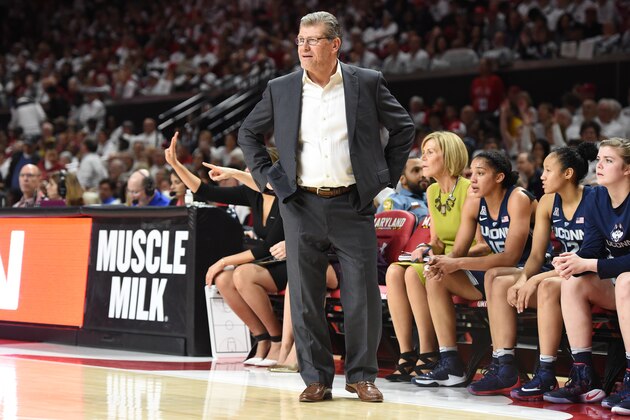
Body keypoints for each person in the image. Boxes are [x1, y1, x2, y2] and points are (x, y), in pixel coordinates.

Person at [238, 11, 414, 403]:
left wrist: (382, 177)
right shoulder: (281, 88)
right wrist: (270, 179)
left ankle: (362, 376)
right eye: (300, 40)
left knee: (362, 295)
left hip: (353, 202)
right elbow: (248, 132)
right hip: (300, 204)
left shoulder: (366, 82)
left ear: (335, 45)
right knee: (304, 297)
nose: (304, 46)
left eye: (313, 40)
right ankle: (316, 377)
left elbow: (403, 128)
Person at [478, 143, 598, 399]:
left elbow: (587, 257)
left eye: (548, 169)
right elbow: (535, 256)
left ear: (567, 173)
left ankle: (546, 371)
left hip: (588, 274)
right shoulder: (546, 202)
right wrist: (522, 279)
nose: (541, 176)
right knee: (501, 283)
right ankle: (504, 364)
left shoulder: (592, 199)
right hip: (563, 272)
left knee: (544, 285)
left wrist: (535, 280)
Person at [413, 150, 537, 389]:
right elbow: (458, 252)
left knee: (493, 275)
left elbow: (510, 256)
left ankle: (504, 365)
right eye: (472, 173)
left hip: (528, 269)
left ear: (499, 177)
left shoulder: (517, 198)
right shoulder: (474, 201)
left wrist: (456, 263)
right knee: (437, 277)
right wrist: (441, 262)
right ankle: (450, 363)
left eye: (481, 173)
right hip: (496, 273)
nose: (474, 179)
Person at [166, 133, 289, 366]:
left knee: (241, 273)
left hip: (288, 261)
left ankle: (277, 338)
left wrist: (223, 260)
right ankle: (261, 338)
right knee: (223, 280)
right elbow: (206, 191)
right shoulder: (252, 194)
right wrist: (176, 165)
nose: (248, 171)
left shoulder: (285, 198)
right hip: (268, 263)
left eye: (253, 167)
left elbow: (265, 248)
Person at [384, 131, 487, 383]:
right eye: (423, 152)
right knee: (396, 271)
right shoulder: (431, 192)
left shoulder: (470, 190)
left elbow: (482, 246)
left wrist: (449, 259)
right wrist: (426, 249)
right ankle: (408, 353)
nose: (422, 159)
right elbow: (438, 240)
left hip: (473, 267)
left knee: (420, 273)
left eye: (430, 153)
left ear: (448, 156)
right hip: (447, 264)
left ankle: (430, 353)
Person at [544, 138, 629, 413]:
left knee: (626, 279)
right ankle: (584, 375)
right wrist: (572, 262)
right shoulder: (596, 197)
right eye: (599, 159)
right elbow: (592, 249)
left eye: (609, 160)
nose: (599, 165)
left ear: (627, 169)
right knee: (572, 282)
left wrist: (591, 265)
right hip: (618, 282)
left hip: (626, 280)